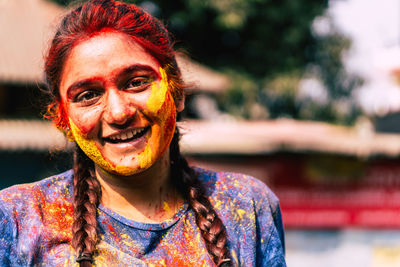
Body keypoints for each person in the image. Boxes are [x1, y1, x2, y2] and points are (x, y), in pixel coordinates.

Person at [0, 0, 286, 266]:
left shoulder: (246, 206)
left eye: (136, 83)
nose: (118, 113)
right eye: (88, 95)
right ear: (63, 118)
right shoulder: (18, 219)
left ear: (177, 91)